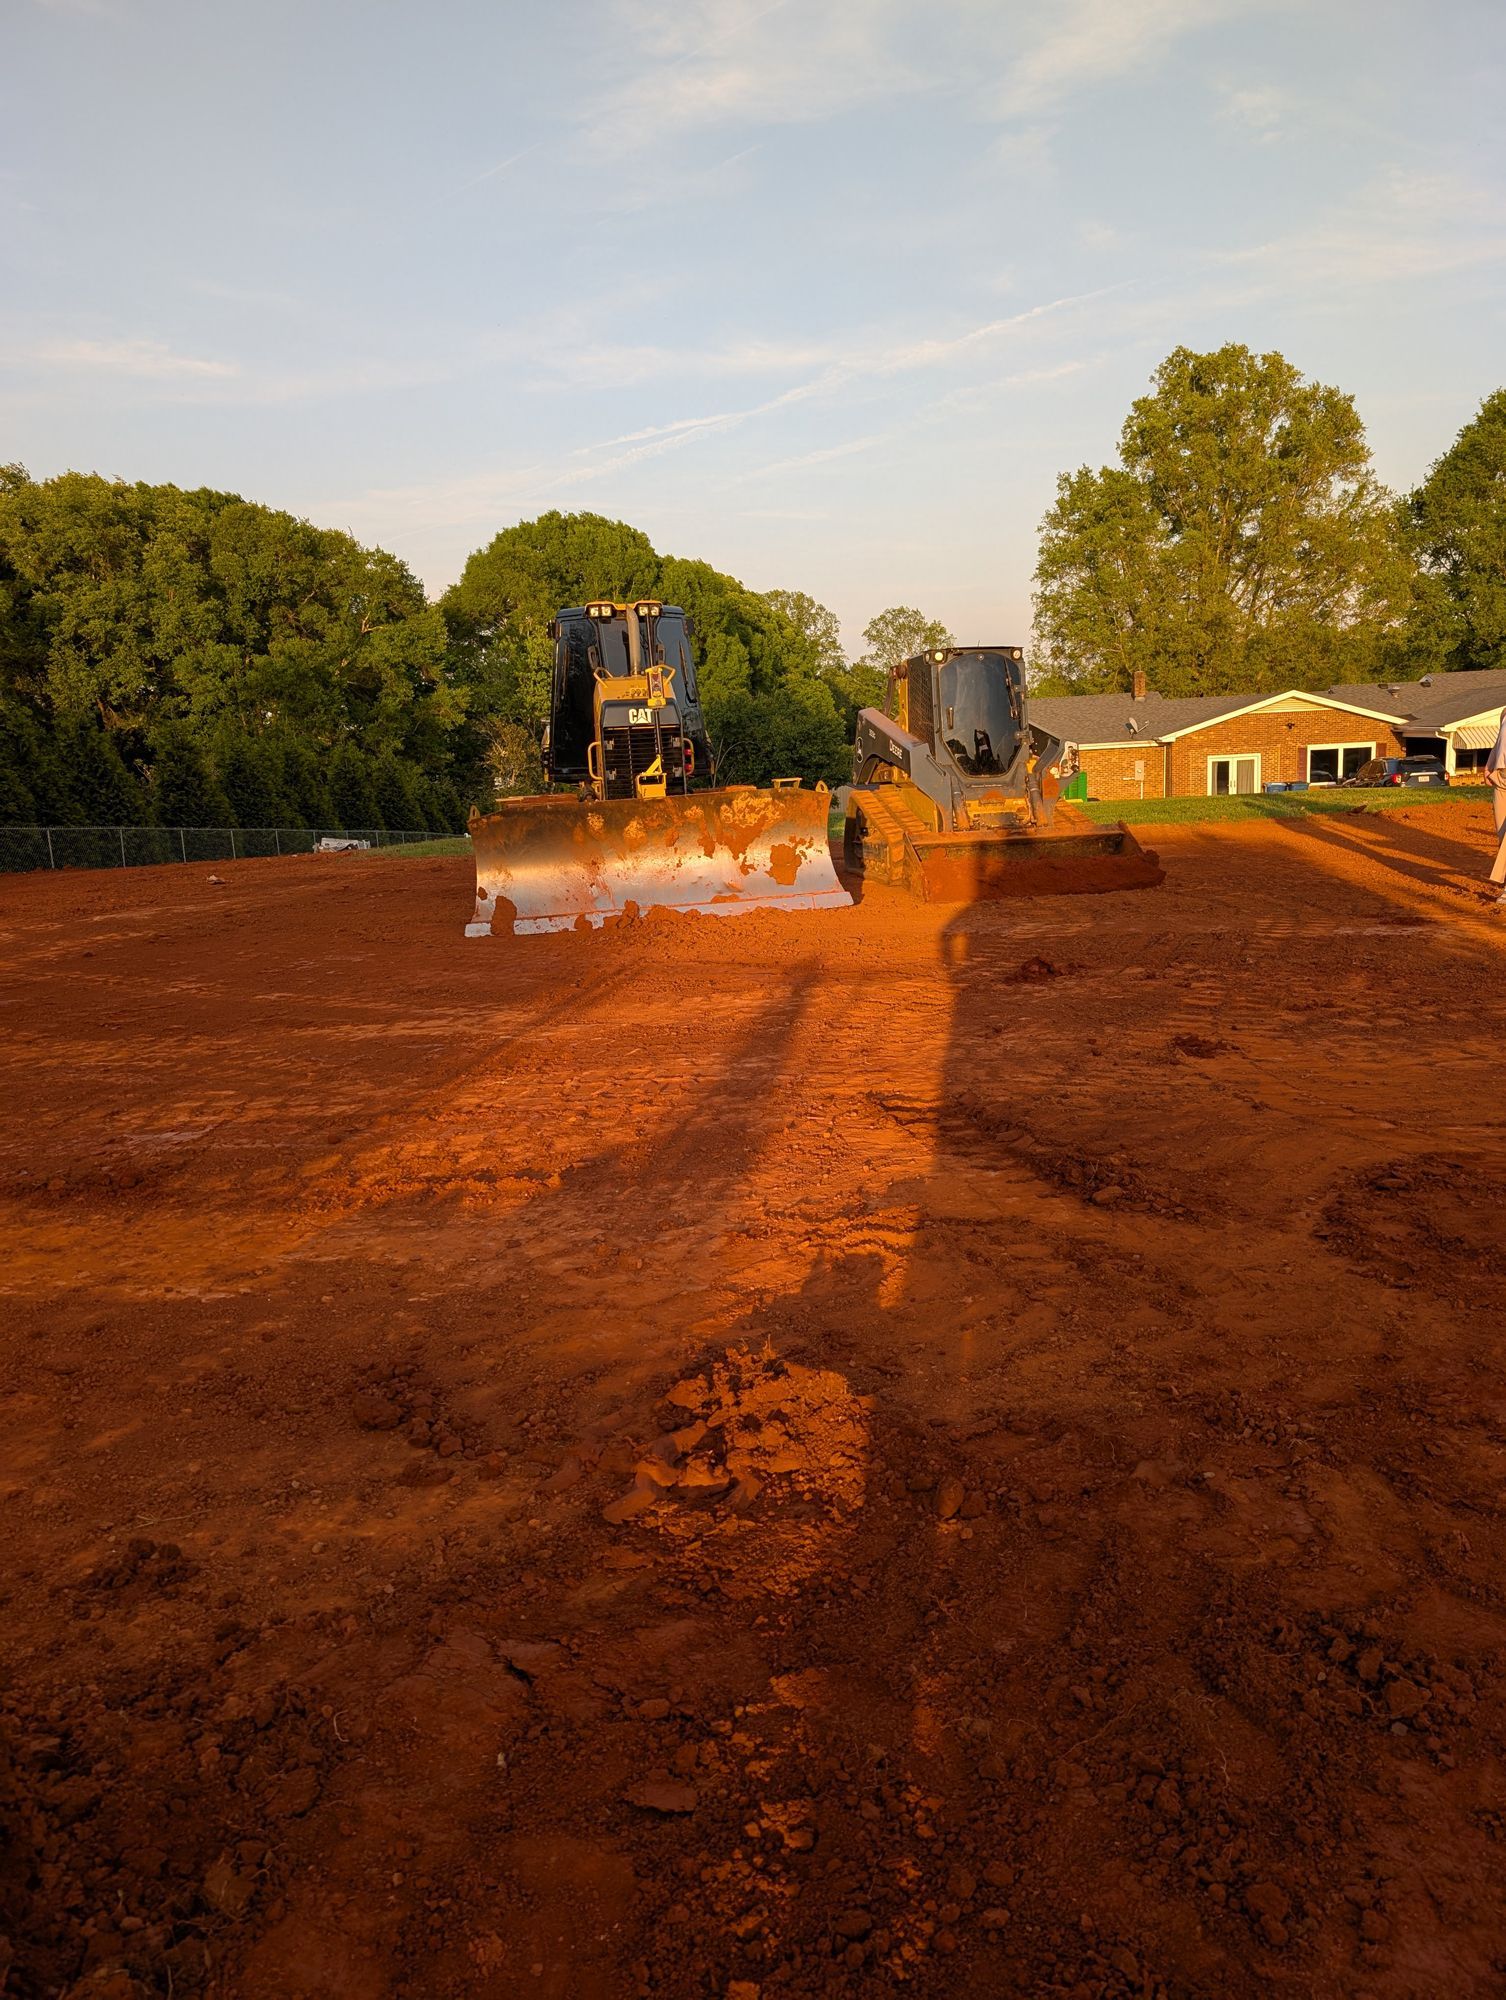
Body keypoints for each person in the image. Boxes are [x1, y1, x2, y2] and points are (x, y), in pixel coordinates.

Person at [1488, 706, 1506, 901]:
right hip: (1501, 779)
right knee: (1503, 835)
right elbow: (1499, 743)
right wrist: (1489, 765)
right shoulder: (1505, 712)